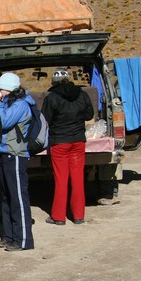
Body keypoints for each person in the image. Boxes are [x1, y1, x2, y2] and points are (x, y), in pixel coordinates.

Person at [0, 72, 35, 252]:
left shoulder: (21, 104)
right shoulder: (10, 103)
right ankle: (9, 236)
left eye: (0, 90)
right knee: (6, 198)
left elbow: (5, 122)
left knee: (18, 198)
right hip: (4, 153)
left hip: (15, 155)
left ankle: (23, 240)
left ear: (8, 90)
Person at [42, 68, 94, 225]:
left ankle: (58, 217)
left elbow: (45, 119)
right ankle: (79, 215)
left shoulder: (52, 98)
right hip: (78, 141)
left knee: (61, 180)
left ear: (54, 82)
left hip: (60, 142)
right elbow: (89, 115)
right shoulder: (82, 94)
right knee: (78, 180)